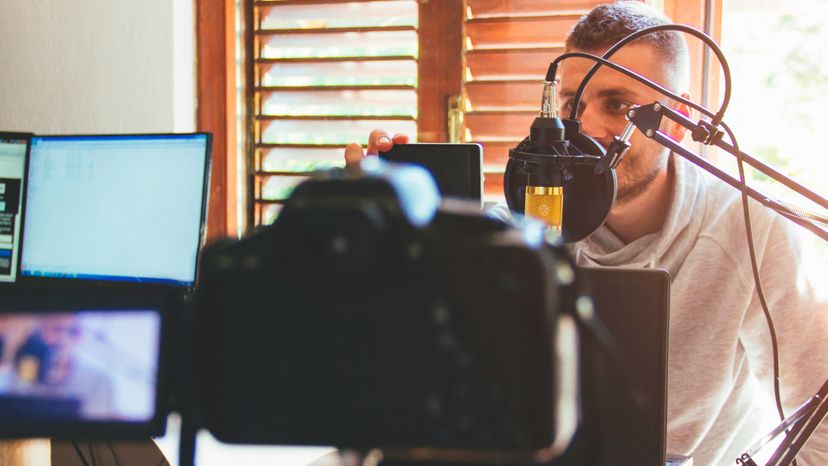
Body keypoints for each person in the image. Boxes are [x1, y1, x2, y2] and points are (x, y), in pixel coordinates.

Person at [343, 2, 828, 464]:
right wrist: (379, 234)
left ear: (676, 125)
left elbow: (820, 416)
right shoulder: (525, 224)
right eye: (574, 105)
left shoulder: (753, 229)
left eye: (618, 105)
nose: (587, 126)